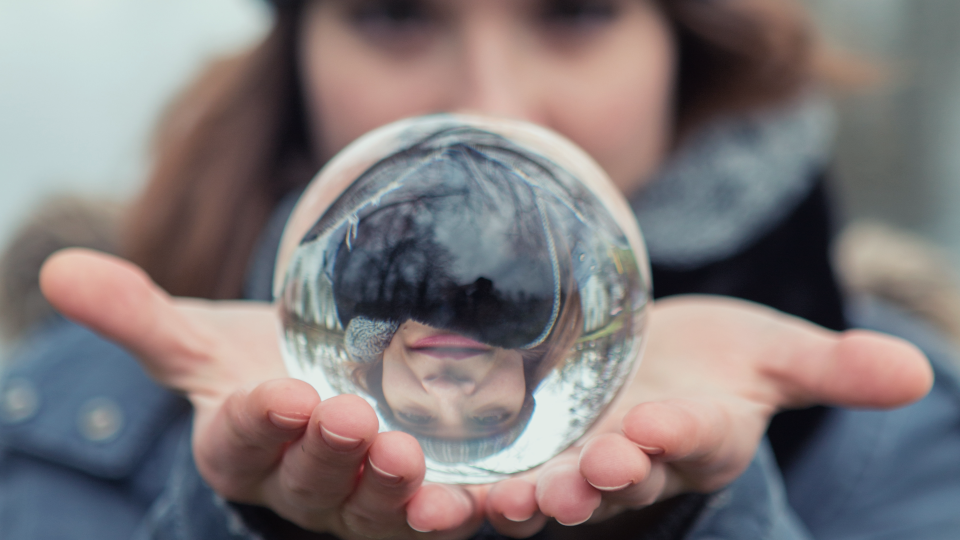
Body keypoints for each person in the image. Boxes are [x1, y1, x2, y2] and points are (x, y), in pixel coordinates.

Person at [0, 2, 957, 540]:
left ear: (687, 49)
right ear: (295, 57)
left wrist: (689, 527)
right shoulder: (53, 420)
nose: (489, 102)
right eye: (395, 14)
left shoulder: (912, 443)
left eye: (576, 12)